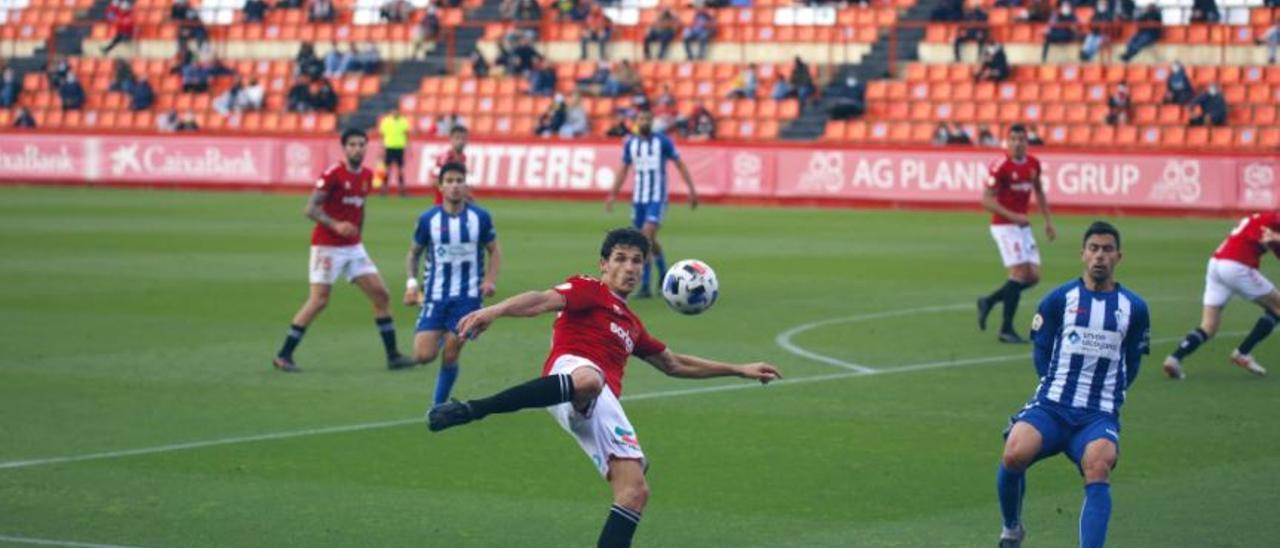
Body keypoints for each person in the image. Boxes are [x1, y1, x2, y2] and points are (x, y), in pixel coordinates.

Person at [427, 227, 781, 548]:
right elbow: (539, 300)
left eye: (637, 261)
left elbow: (674, 364)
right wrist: (495, 311)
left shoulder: (632, 324)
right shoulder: (588, 290)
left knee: (634, 492)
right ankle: (474, 408)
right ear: (603, 264)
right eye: (621, 259)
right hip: (571, 372)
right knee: (590, 380)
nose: (630, 267)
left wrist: (739, 369)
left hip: (599, 402)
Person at [995, 221, 1150, 548]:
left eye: (1107, 250)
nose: (1100, 256)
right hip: (1052, 406)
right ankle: (1011, 529)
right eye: (1093, 248)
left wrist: (1113, 395)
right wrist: (1053, 386)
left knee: (1099, 465)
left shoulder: (1134, 308)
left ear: (1118, 257)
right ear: (1082, 254)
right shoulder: (1058, 300)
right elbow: (1041, 350)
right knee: (1013, 454)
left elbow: (1133, 360)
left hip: (1098, 415)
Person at [272, 129, 417, 373]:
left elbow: (360, 209)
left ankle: (393, 356)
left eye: (361, 144)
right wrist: (336, 224)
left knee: (381, 295)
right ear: (344, 147)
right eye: (352, 144)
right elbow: (311, 209)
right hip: (326, 247)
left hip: (353, 248)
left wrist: (358, 233)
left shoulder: (367, 176)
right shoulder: (333, 175)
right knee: (319, 301)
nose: (357, 148)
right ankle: (284, 355)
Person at [404, 162, 502, 408]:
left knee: (451, 352)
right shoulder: (428, 219)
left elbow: (494, 251)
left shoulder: (480, 217)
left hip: (467, 299)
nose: (455, 186)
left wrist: (489, 280)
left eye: (459, 181)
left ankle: (438, 406)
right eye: (449, 181)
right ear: (441, 186)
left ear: (466, 185)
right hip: (435, 297)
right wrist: (412, 284)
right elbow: (414, 253)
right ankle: (439, 336)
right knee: (423, 356)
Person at [1162, 212, 1280, 379]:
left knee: (1208, 326)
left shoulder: (1262, 221)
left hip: (1216, 264)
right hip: (1237, 265)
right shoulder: (1272, 218)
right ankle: (1242, 353)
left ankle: (1174, 359)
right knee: (1277, 307)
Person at [604, 110, 700, 299]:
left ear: (652, 122)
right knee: (649, 240)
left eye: (648, 118)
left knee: (644, 238)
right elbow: (623, 169)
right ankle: (664, 271)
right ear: (636, 122)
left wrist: (691, 190)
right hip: (639, 199)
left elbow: (679, 164)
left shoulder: (662, 141)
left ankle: (645, 285)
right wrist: (612, 194)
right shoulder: (631, 144)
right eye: (641, 118)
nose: (645, 121)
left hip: (657, 198)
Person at [977, 124, 1057, 344]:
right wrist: (1013, 216)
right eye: (1013, 139)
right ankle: (1006, 329)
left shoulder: (1033, 164)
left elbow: (1039, 191)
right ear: (1007, 142)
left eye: (1021, 139)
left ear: (1027, 142)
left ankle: (989, 301)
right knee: (1019, 273)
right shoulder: (1000, 166)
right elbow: (986, 200)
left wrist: (1048, 221)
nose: (1017, 143)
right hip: (1004, 226)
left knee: (1033, 277)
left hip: (1022, 225)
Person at [378, 107, 412, 197]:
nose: (395, 112)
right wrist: (381, 149)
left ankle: (402, 190)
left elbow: (407, 135)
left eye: (396, 111)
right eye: (393, 111)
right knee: (387, 170)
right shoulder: (386, 121)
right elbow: (382, 136)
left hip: (400, 147)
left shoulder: (403, 121)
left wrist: (409, 148)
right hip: (389, 147)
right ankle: (384, 189)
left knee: (400, 170)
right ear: (391, 112)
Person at [432, 124, 469, 205]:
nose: (461, 141)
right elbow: (434, 181)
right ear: (451, 139)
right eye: (457, 138)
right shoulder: (444, 158)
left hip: (458, 205)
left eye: (464, 138)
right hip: (443, 204)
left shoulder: (463, 158)